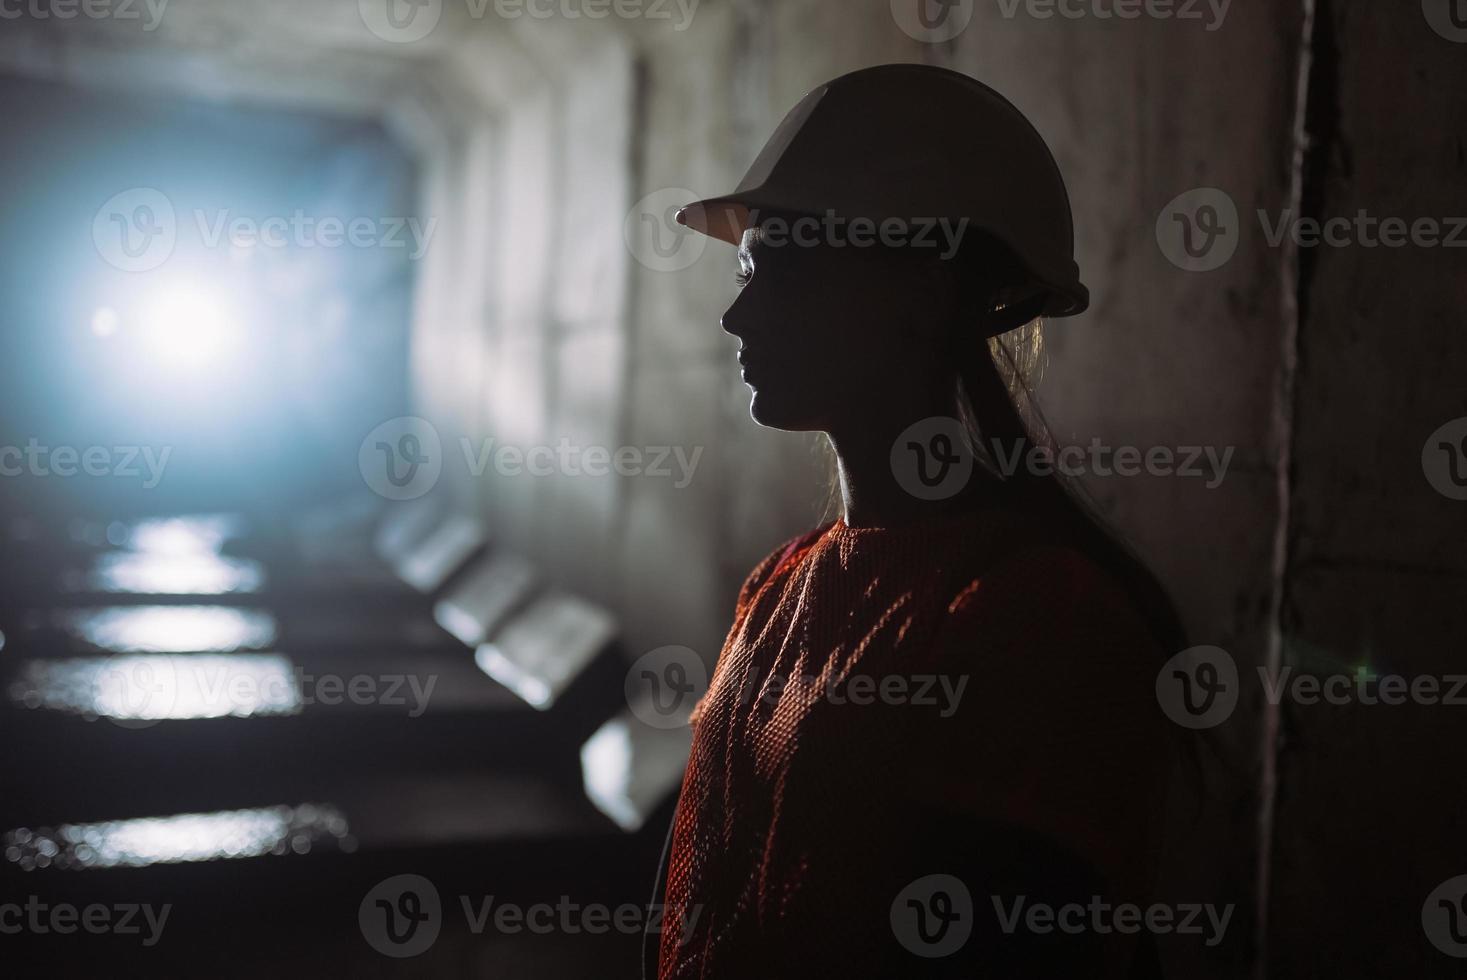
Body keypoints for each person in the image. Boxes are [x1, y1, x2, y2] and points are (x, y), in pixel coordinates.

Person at [647, 64, 1183, 979]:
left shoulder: (1035, 616)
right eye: (745, 272)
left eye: (785, 269)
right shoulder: (780, 588)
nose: (737, 315)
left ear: (921, 294)